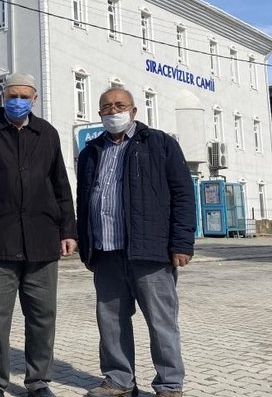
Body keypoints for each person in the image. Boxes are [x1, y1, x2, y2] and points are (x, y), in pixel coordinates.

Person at [0, 73, 77, 397]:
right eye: (12, 95)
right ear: (3, 96)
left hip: (41, 239)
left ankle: (38, 380)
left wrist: (68, 228)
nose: (17, 102)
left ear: (34, 99)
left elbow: (61, 186)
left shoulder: (48, 134)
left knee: (42, 315)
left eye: (24, 96)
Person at [76, 88, 194, 397]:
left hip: (150, 252)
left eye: (120, 105)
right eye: (106, 107)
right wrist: (87, 246)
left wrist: (181, 243)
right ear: (99, 113)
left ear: (134, 110)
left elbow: (182, 194)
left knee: (161, 322)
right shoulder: (91, 152)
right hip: (107, 252)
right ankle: (119, 380)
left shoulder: (160, 144)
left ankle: (169, 384)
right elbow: (84, 200)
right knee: (111, 322)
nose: (113, 111)